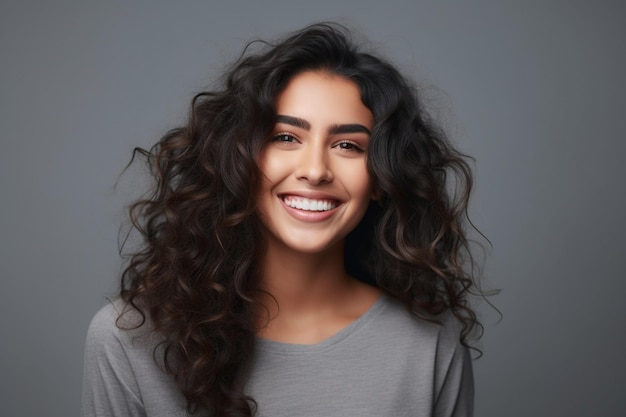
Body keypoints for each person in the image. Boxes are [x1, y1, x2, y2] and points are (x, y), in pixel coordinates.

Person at [82, 22, 483, 417]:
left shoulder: (429, 341)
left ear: (381, 178)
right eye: (286, 137)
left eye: (347, 145)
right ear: (240, 160)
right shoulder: (129, 340)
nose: (315, 170)